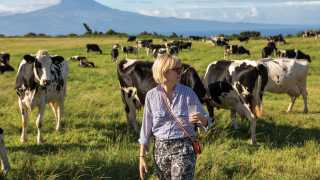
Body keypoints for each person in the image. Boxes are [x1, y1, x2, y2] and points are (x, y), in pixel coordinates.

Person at [138, 54, 212, 180]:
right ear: (164, 72)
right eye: (176, 70)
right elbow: (145, 130)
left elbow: (206, 122)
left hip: (184, 147)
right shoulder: (151, 96)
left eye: (180, 69)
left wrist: (202, 119)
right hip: (160, 150)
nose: (180, 72)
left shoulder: (188, 94)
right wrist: (141, 157)